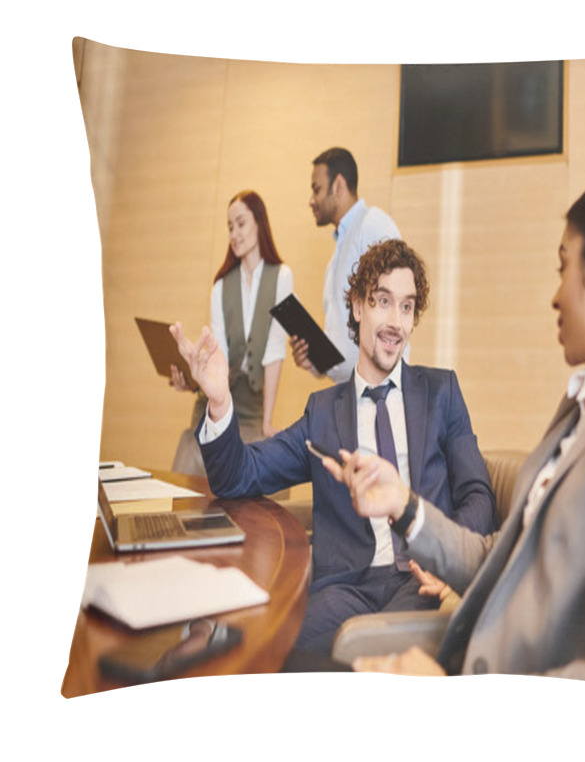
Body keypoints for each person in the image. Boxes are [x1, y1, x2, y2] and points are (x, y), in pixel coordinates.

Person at [325, 173, 585, 695]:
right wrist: (405, 505)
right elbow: (501, 560)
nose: (555, 295)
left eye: (564, 266)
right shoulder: (584, 405)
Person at [170, 239, 496, 657]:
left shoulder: (441, 392)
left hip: (424, 581)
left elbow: (478, 494)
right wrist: (219, 401)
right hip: (345, 590)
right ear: (358, 307)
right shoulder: (323, 413)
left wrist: (453, 563)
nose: (395, 321)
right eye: (382, 301)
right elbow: (240, 476)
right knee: (264, 648)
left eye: (407, 306)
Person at [170, 190, 292, 477]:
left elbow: (275, 351)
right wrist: (197, 383)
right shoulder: (221, 286)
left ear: (259, 223)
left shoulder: (282, 276)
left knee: (273, 465)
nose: (234, 233)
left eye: (241, 223)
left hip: (253, 407)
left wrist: (268, 421)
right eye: (229, 227)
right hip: (216, 400)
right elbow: (219, 355)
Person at [290, 147, 403, 384]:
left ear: (338, 185)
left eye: (317, 189)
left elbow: (396, 303)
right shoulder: (334, 261)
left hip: (378, 391)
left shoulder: (373, 224)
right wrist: (314, 361)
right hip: (347, 393)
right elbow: (342, 344)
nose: (312, 201)